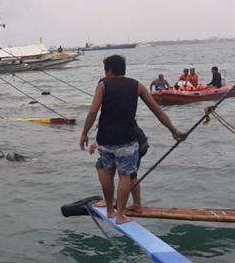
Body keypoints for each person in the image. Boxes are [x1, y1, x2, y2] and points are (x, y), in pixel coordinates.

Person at [79, 55, 185, 224]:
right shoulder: (137, 86)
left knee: (107, 172)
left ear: (110, 70)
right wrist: (173, 130)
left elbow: (93, 112)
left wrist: (84, 133)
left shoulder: (102, 85)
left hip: (105, 139)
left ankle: (109, 210)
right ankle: (120, 215)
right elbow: (157, 111)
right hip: (127, 139)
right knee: (125, 175)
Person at [89, 123, 149, 213]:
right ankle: (136, 204)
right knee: (130, 175)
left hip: (131, 142)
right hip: (137, 141)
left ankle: (110, 200)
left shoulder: (109, 112)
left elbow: (105, 126)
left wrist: (95, 141)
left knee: (103, 167)